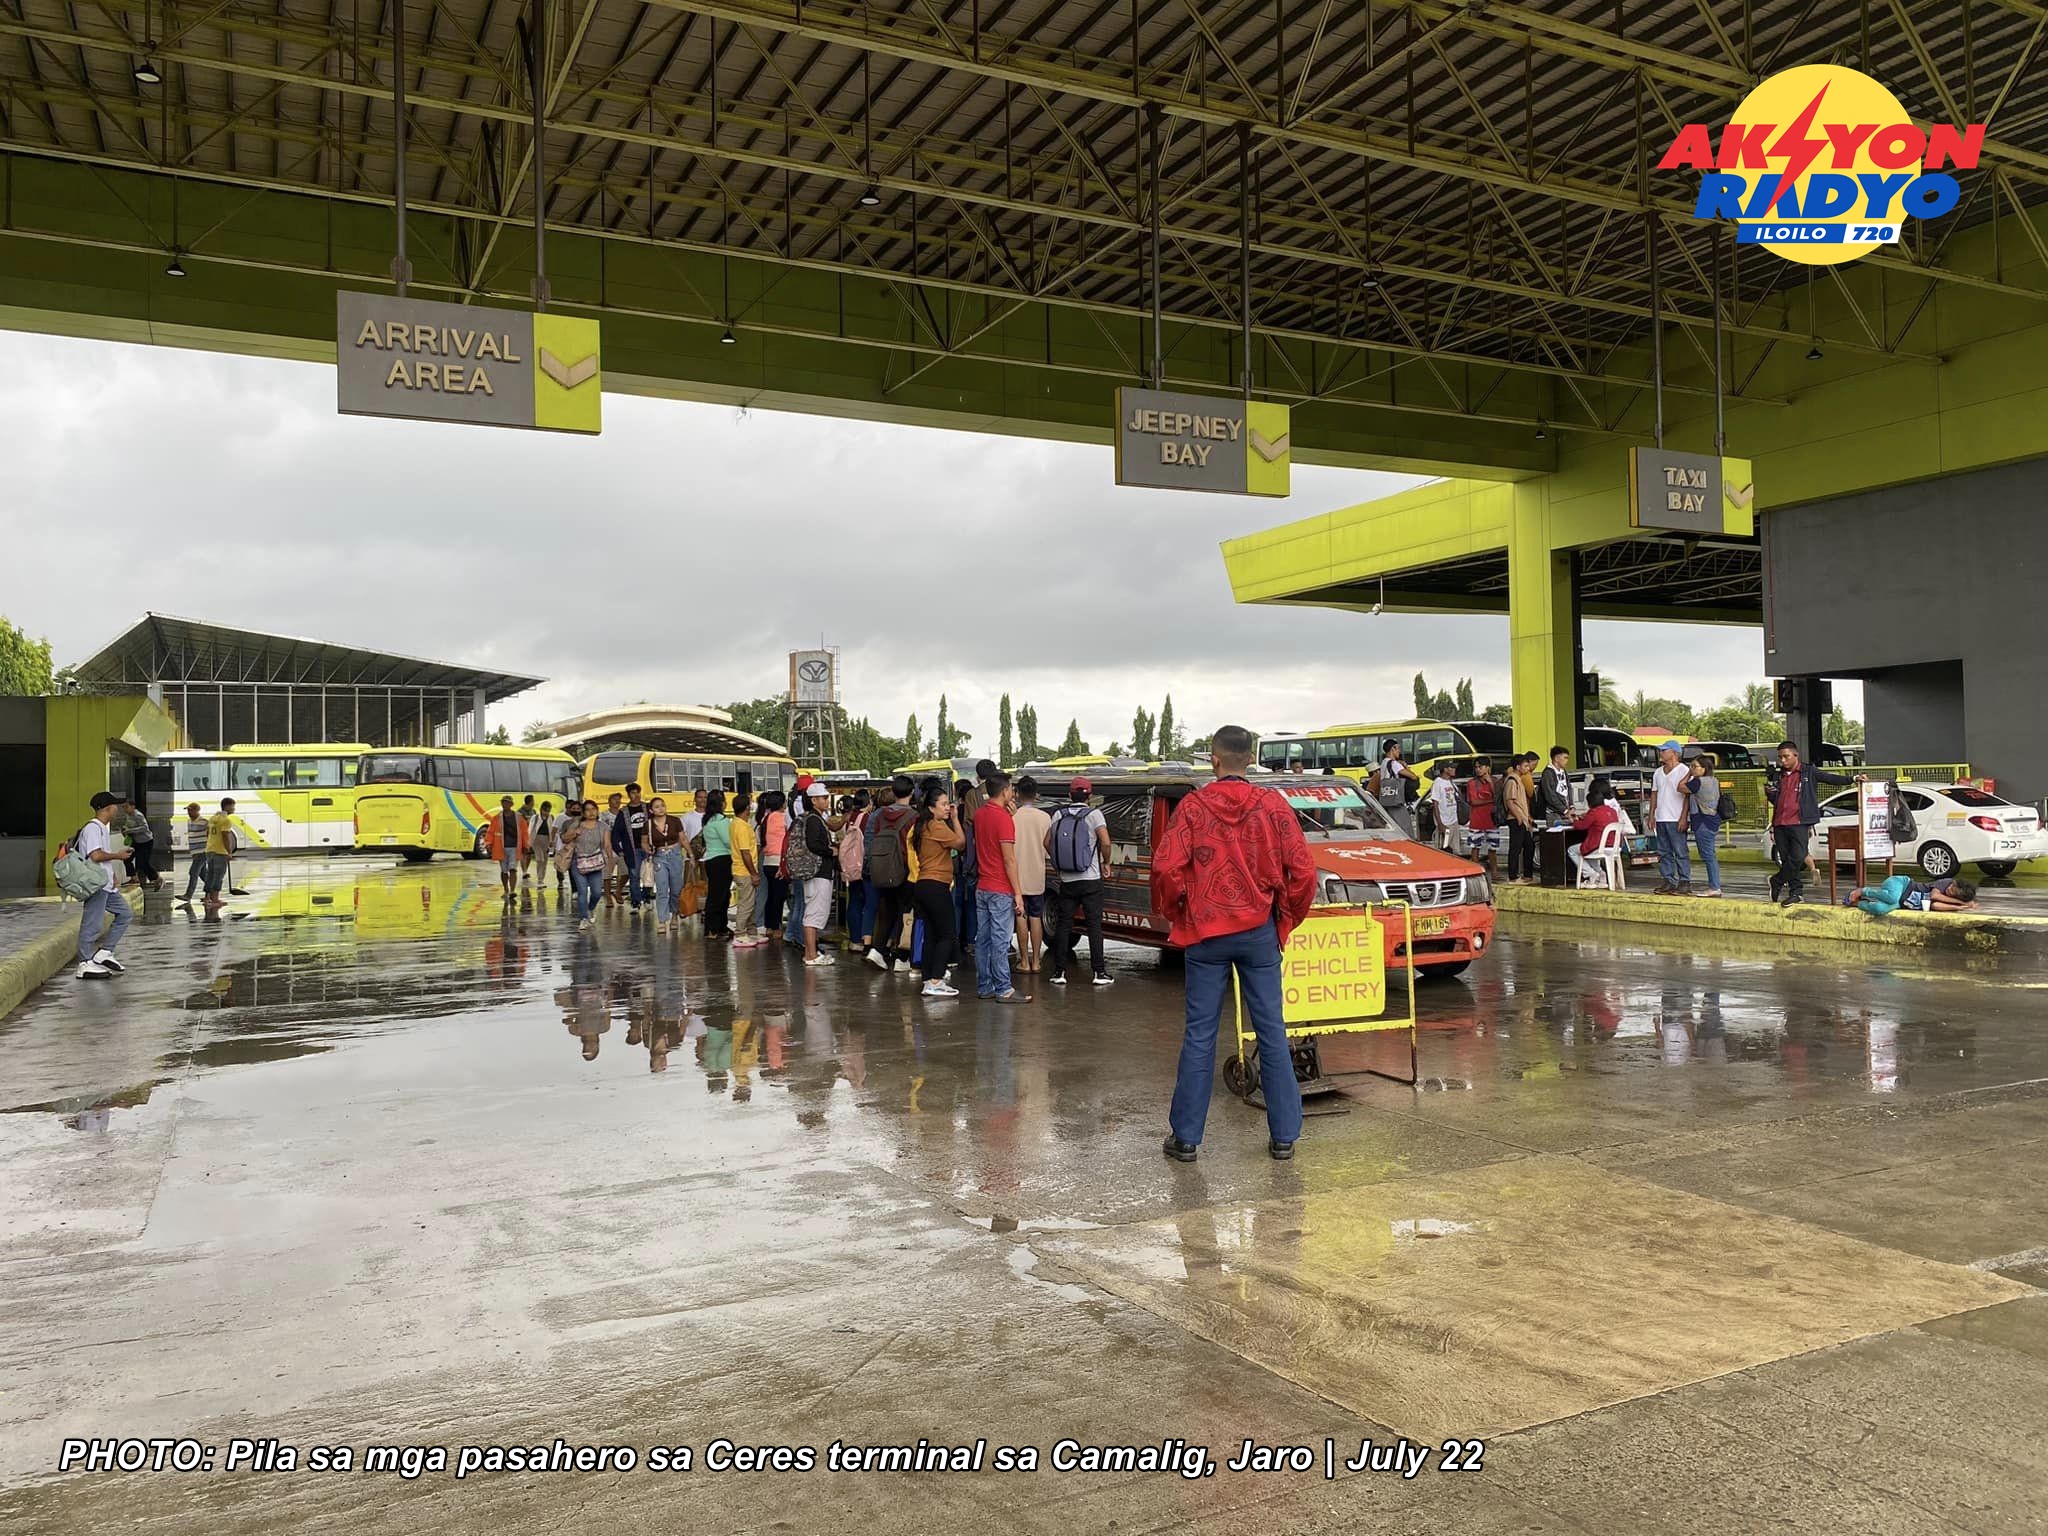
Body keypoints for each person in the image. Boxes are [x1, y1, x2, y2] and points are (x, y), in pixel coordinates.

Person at [1150, 725, 1316, 1163]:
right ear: (1252, 758)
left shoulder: (1192, 807)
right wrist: (1286, 919)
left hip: (1206, 932)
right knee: (1272, 1031)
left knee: (1200, 1034)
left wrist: (1177, 911)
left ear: (1214, 759)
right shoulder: (1273, 807)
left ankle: (1186, 1138)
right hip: (1258, 930)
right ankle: (1284, 1136)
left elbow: (1166, 869)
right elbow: (1303, 872)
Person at [1765, 742, 1860, 907]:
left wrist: (1852, 779)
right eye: (1780, 757)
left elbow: (1830, 778)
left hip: (1799, 822)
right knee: (1787, 859)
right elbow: (1775, 800)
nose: (1783, 761)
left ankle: (1777, 880)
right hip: (1780, 823)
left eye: (1786, 756)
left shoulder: (1808, 772)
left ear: (1795, 755)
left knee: (1798, 857)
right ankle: (1796, 892)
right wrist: (1769, 789)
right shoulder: (1778, 776)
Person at [1046, 777, 1113, 986]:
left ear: (1069, 795)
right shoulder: (1094, 815)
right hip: (1091, 879)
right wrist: (1106, 862)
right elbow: (1106, 841)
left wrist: (1058, 864)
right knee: (1094, 926)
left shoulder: (1058, 814)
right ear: (1090, 796)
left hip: (1067, 880)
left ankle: (1059, 972)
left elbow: (1047, 842)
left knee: (1064, 925)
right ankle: (1099, 973)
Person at [969, 772, 1023, 1001]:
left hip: (982, 885)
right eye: (1011, 788)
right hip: (1000, 887)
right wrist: (1018, 893)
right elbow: (1009, 859)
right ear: (1004, 791)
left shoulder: (980, 814)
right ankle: (1004, 988)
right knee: (1000, 940)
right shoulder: (1003, 819)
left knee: (983, 939)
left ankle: (985, 986)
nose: (1013, 792)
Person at [73, 791, 135, 979]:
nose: (117, 809)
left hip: (105, 883)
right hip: (95, 884)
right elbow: (95, 855)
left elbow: (101, 857)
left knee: (125, 914)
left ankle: (104, 953)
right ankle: (84, 963)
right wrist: (119, 856)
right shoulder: (93, 828)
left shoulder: (101, 828)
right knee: (92, 923)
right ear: (107, 808)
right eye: (115, 806)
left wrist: (112, 875)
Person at [910, 785, 964, 998]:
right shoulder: (937, 825)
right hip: (936, 884)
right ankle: (936, 979)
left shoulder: (922, 825)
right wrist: (957, 819)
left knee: (931, 935)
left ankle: (928, 978)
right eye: (943, 804)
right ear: (931, 808)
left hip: (923, 884)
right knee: (947, 933)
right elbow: (960, 843)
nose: (948, 808)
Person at [863, 775, 920, 973]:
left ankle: (877, 950)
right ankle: (901, 957)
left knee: (886, 910)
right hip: (904, 868)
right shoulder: (914, 816)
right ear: (912, 792)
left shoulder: (879, 815)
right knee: (906, 913)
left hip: (883, 868)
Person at [791, 782, 838, 966]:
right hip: (818, 872)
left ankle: (811, 951)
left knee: (814, 912)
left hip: (818, 872)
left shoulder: (815, 818)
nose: (827, 801)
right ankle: (810, 954)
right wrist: (831, 851)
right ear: (813, 800)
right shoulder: (813, 819)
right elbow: (813, 844)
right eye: (824, 798)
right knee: (813, 914)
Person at [1010, 775, 1052, 973]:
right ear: (1036, 795)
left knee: (1021, 915)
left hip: (1016, 876)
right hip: (1037, 874)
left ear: (1017, 794)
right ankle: (1036, 961)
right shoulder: (1045, 818)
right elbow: (1048, 848)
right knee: (1036, 916)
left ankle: (1024, 961)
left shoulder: (1012, 817)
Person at [1649, 741, 1693, 896]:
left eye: (1664, 750)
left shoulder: (1684, 770)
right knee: (1664, 852)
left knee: (1680, 851)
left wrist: (1683, 817)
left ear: (1674, 752)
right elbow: (1654, 793)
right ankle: (1668, 880)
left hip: (1676, 817)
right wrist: (1651, 814)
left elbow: (1687, 796)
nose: (1661, 753)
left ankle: (1684, 881)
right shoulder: (1658, 772)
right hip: (1661, 817)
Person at [643, 796, 688, 935]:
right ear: (651, 810)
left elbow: (683, 838)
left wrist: (690, 854)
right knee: (662, 889)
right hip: (659, 856)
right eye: (657, 806)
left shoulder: (675, 821)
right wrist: (647, 849)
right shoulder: (648, 824)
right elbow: (644, 842)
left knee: (676, 889)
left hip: (675, 854)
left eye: (662, 805)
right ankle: (662, 920)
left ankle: (674, 915)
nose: (661, 808)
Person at [1566, 778, 1623, 884]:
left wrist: (1573, 820)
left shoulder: (1594, 812)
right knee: (1590, 853)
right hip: (1615, 846)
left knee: (1572, 850)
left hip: (1600, 845)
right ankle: (1600, 873)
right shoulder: (1612, 810)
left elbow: (1581, 826)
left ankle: (1590, 873)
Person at [564, 800, 607, 928]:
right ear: (583, 812)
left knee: (597, 892)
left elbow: (607, 844)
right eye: (588, 809)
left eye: (594, 809)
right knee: (582, 891)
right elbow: (564, 838)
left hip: (595, 863)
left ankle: (590, 908)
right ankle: (583, 918)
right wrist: (573, 833)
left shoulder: (602, 826)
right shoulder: (576, 824)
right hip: (578, 862)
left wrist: (608, 858)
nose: (591, 812)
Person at [783, 774, 816, 945]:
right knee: (804, 902)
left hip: (793, 858)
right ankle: (802, 938)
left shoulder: (790, 807)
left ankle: (790, 933)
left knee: (796, 900)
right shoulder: (806, 809)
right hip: (805, 859)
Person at [1845, 874, 1979, 915]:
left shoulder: (1951, 901)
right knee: (1892, 896)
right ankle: (1862, 891)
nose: (1949, 889)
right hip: (1902, 884)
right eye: (1951, 887)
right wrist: (1961, 902)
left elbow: (1936, 905)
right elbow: (1934, 896)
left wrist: (1961, 907)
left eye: (1952, 892)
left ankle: (1858, 903)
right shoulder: (1947, 882)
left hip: (1901, 903)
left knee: (1879, 910)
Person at [729, 791, 765, 947]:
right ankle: (740, 933)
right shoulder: (742, 827)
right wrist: (754, 873)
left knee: (751, 902)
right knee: (746, 904)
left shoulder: (735, 823)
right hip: (744, 870)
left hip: (740, 869)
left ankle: (751, 931)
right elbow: (745, 853)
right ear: (747, 808)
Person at [1685, 755, 1724, 898]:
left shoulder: (1698, 782)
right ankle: (1714, 886)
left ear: (1704, 768)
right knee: (1710, 854)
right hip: (1713, 819)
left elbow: (1680, 787)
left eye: (1695, 767)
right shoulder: (1714, 780)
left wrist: (1688, 774)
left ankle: (1714, 886)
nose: (1692, 769)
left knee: (1708, 855)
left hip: (1703, 821)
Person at [838, 792, 872, 954]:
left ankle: (854, 939)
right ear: (869, 802)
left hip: (850, 866)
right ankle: (863, 938)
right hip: (862, 865)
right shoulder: (865, 818)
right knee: (865, 903)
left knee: (854, 902)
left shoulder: (850, 818)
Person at [701, 790, 735, 939]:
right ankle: (714, 928)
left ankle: (718, 927)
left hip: (711, 859)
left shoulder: (707, 819)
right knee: (719, 896)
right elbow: (729, 841)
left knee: (718, 895)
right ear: (721, 803)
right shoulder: (721, 820)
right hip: (722, 860)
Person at [481, 795, 528, 900]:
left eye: (507, 802)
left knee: (513, 869)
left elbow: (524, 832)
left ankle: (512, 890)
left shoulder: (519, 818)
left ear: (511, 804)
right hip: (501, 848)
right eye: (503, 802)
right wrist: (488, 844)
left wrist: (526, 845)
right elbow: (490, 832)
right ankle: (506, 889)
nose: (505, 804)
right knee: (504, 871)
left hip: (515, 847)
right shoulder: (496, 818)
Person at [613, 782, 650, 913]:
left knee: (648, 875)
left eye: (638, 792)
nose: (636, 795)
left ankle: (647, 898)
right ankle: (635, 902)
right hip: (632, 849)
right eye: (633, 793)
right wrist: (619, 849)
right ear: (629, 795)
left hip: (648, 848)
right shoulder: (624, 812)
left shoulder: (647, 807)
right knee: (634, 875)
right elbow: (616, 832)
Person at [1463, 757, 1502, 881]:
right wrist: (1491, 800)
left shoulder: (1495, 781)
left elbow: (1498, 796)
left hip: (1492, 820)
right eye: (1476, 767)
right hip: (1477, 820)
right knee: (1475, 848)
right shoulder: (1472, 783)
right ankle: (1476, 874)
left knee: (1493, 848)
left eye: (1481, 767)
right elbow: (1473, 801)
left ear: (1487, 768)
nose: (1478, 770)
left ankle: (1494, 873)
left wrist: (1490, 783)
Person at [758, 790, 790, 937]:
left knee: (771, 896)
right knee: (779, 896)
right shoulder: (783, 818)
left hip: (767, 862)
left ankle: (769, 926)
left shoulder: (766, 818)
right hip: (779, 862)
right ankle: (777, 928)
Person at [1372, 739, 1418, 835]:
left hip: (1386, 799)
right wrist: (1405, 766)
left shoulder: (1384, 763)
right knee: (1405, 827)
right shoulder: (1394, 764)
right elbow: (1413, 776)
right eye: (1398, 748)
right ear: (1393, 749)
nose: (1399, 751)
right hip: (1396, 799)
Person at [1503, 755, 1536, 885]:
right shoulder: (1512, 781)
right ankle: (1513, 876)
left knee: (1529, 846)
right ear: (1518, 767)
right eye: (1525, 766)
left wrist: (1527, 817)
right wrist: (1519, 817)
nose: (1528, 768)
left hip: (1523, 818)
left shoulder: (1519, 780)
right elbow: (1510, 802)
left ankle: (1527, 875)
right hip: (1516, 819)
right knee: (1515, 848)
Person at [202, 797, 238, 908]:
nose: (234, 808)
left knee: (210, 875)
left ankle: (207, 898)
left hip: (209, 849)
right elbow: (225, 836)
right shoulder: (226, 820)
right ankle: (215, 900)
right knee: (218, 876)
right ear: (227, 806)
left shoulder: (213, 818)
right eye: (232, 806)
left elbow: (207, 833)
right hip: (219, 851)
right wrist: (229, 852)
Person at [117, 796, 160, 891]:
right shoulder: (128, 816)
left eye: (126, 807)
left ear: (133, 806)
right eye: (123, 807)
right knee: (127, 858)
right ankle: (133, 878)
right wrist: (125, 830)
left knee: (142, 862)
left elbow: (145, 828)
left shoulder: (138, 815)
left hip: (145, 842)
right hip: (136, 842)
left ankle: (156, 878)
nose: (124, 809)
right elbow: (129, 826)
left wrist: (130, 830)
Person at [176, 801, 209, 905]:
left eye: (191, 810)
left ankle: (188, 895)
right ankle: (211, 892)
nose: (189, 812)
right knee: (204, 875)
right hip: (195, 852)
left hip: (203, 851)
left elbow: (210, 835)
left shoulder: (204, 821)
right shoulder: (189, 821)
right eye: (188, 810)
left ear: (197, 811)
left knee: (193, 872)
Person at [1429, 759, 1463, 853]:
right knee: (1445, 849)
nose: (1454, 769)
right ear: (1445, 769)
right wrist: (1440, 824)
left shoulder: (1451, 782)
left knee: (1455, 849)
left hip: (1454, 821)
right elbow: (1435, 804)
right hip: (1445, 823)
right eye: (1452, 767)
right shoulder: (1438, 782)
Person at [530, 800, 563, 895]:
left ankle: (541, 879)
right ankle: (539, 880)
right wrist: (529, 842)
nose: (546, 812)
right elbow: (531, 829)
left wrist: (552, 841)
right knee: (539, 859)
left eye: (548, 810)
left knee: (544, 860)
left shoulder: (551, 817)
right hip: (536, 839)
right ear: (541, 809)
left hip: (546, 840)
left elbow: (553, 831)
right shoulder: (535, 817)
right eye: (545, 810)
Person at [1538, 745, 1574, 821]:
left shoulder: (1563, 771)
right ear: (1557, 758)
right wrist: (1565, 810)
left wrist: (1571, 806)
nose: (1567, 760)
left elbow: (1569, 788)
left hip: (1565, 811)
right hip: (1553, 813)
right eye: (1565, 758)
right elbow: (1550, 795)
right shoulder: (1548, 773)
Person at [601, 793, 624, 906]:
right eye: (614, 799)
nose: (617, 802)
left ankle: (618, 891)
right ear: (609, 801)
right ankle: (608, 896)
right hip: (608, 846)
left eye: (618, 800)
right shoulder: (603, 815)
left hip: (622, 847)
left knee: (626, 872)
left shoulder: (623, 814)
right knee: (607, 874)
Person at [516, 795, 537, 880]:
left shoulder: (534, 812)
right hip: (522, 835)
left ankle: (526, 870)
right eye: (533, 801)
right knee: (524, 853)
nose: (534, 803)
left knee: (528, 854)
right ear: (530, 802)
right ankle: (524, 871)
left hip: (531, 835)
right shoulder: (520, 812)